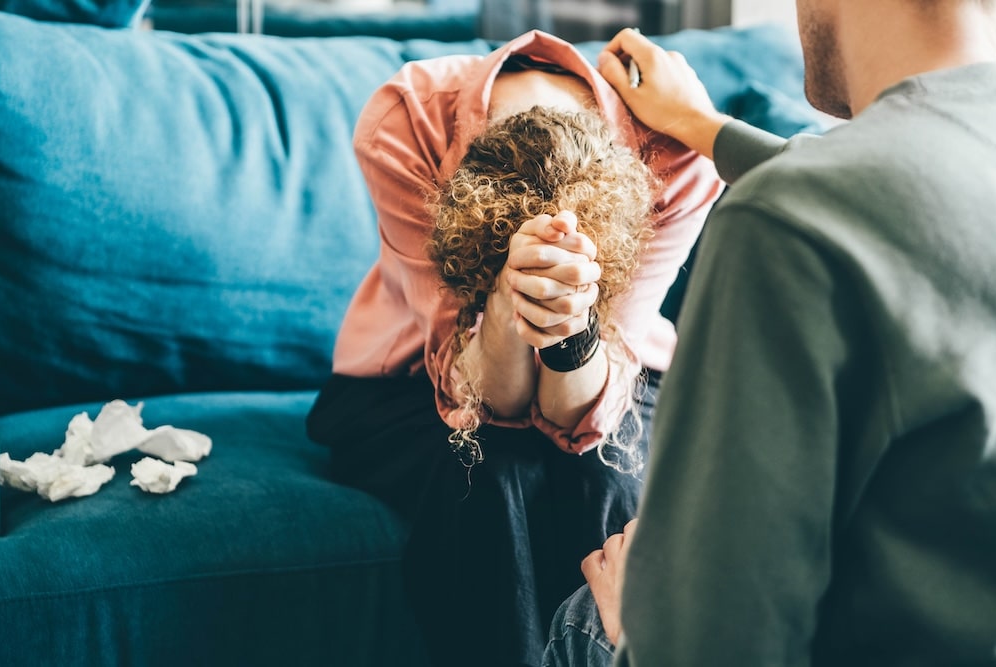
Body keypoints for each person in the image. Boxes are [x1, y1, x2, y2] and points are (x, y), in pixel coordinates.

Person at [543, 1, 996, 665]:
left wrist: (633, 633)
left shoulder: (789, 224)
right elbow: (914, 202)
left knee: (586, 620)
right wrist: (704, 128)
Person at [304, 29, 722, 667]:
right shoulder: (408, 121)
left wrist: (572, 330)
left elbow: (578, 419)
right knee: (489, 474)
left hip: (617, 379)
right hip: (416, 380)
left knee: (603, 470)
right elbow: (488, 402)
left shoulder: (675, 149)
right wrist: (504, 303)